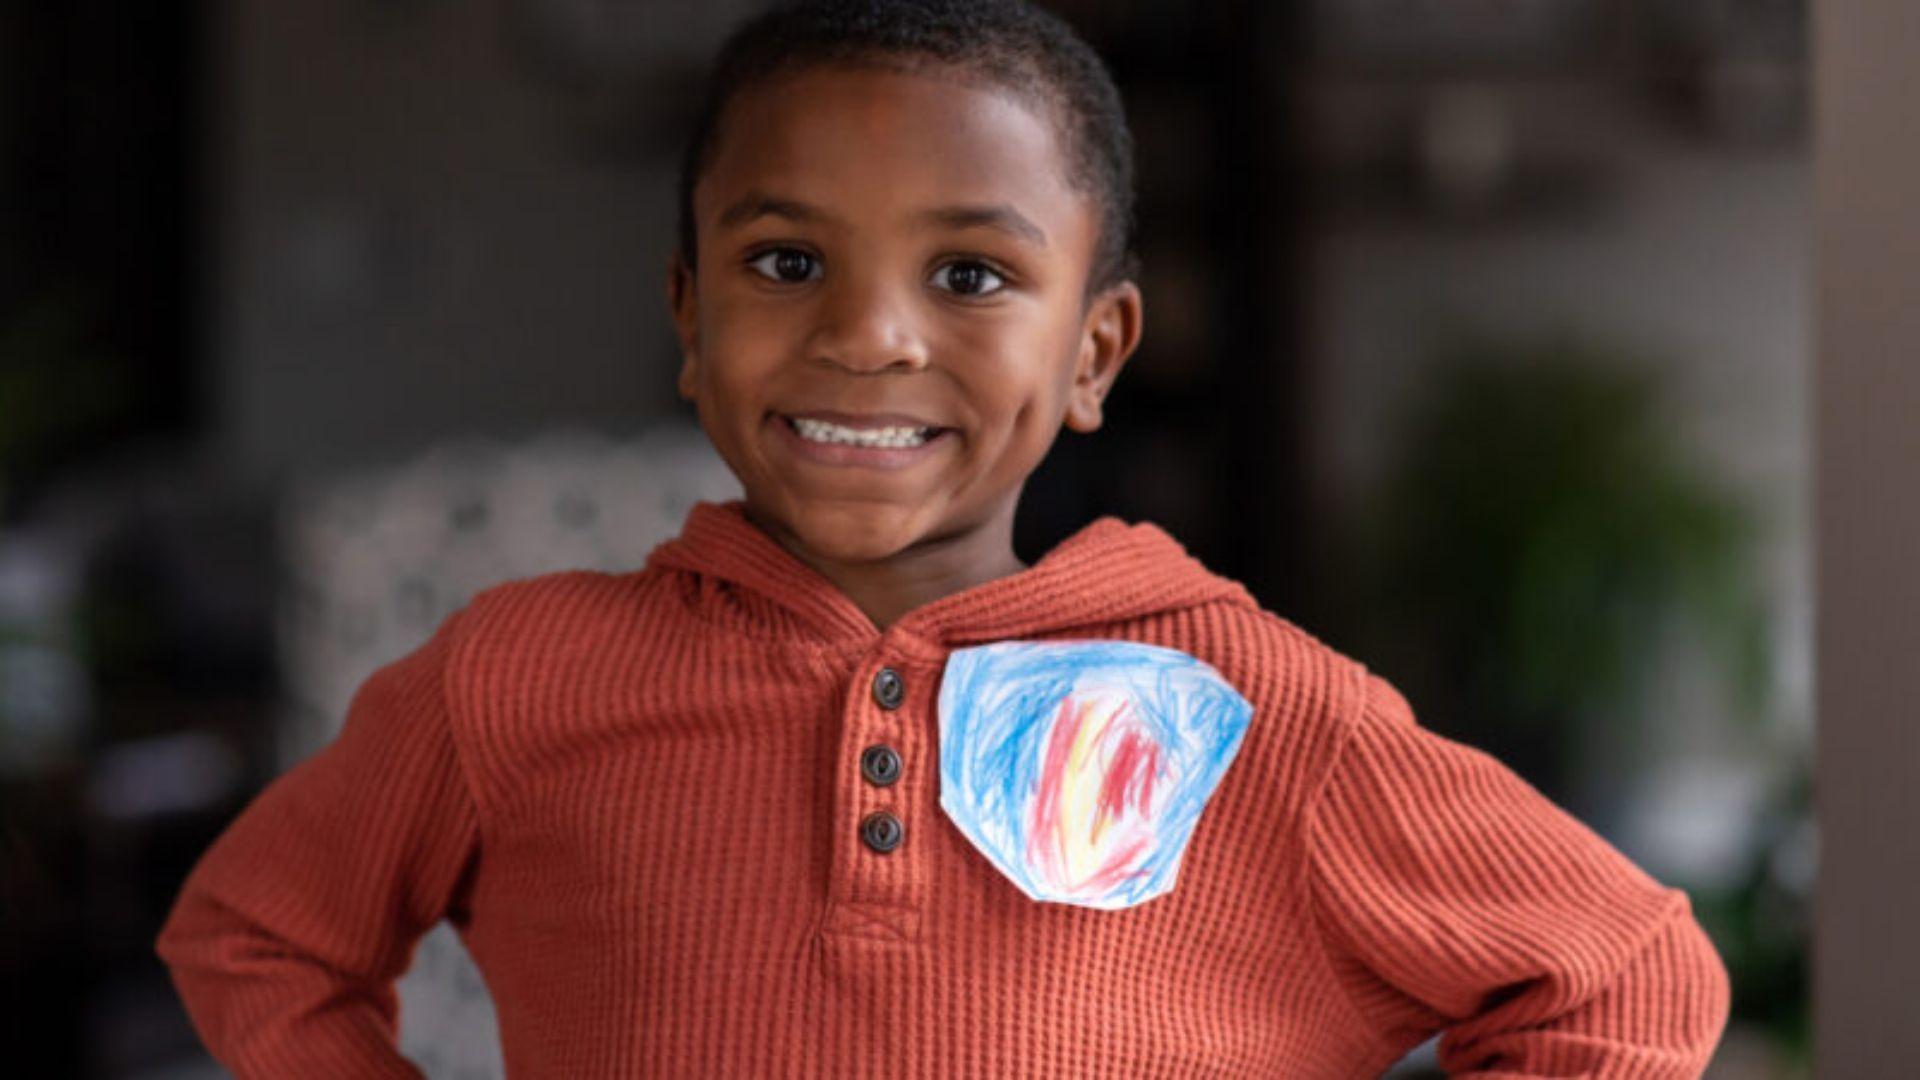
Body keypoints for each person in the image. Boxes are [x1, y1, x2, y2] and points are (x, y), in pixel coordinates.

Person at [154, 1, 1733, 1076]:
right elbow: (258, 935)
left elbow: (1626, 978)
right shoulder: (521, 676)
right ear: (688, 319)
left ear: (1098, 353)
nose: (870, 337)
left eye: (970, 277)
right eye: (785, 262)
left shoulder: (1247, 699)